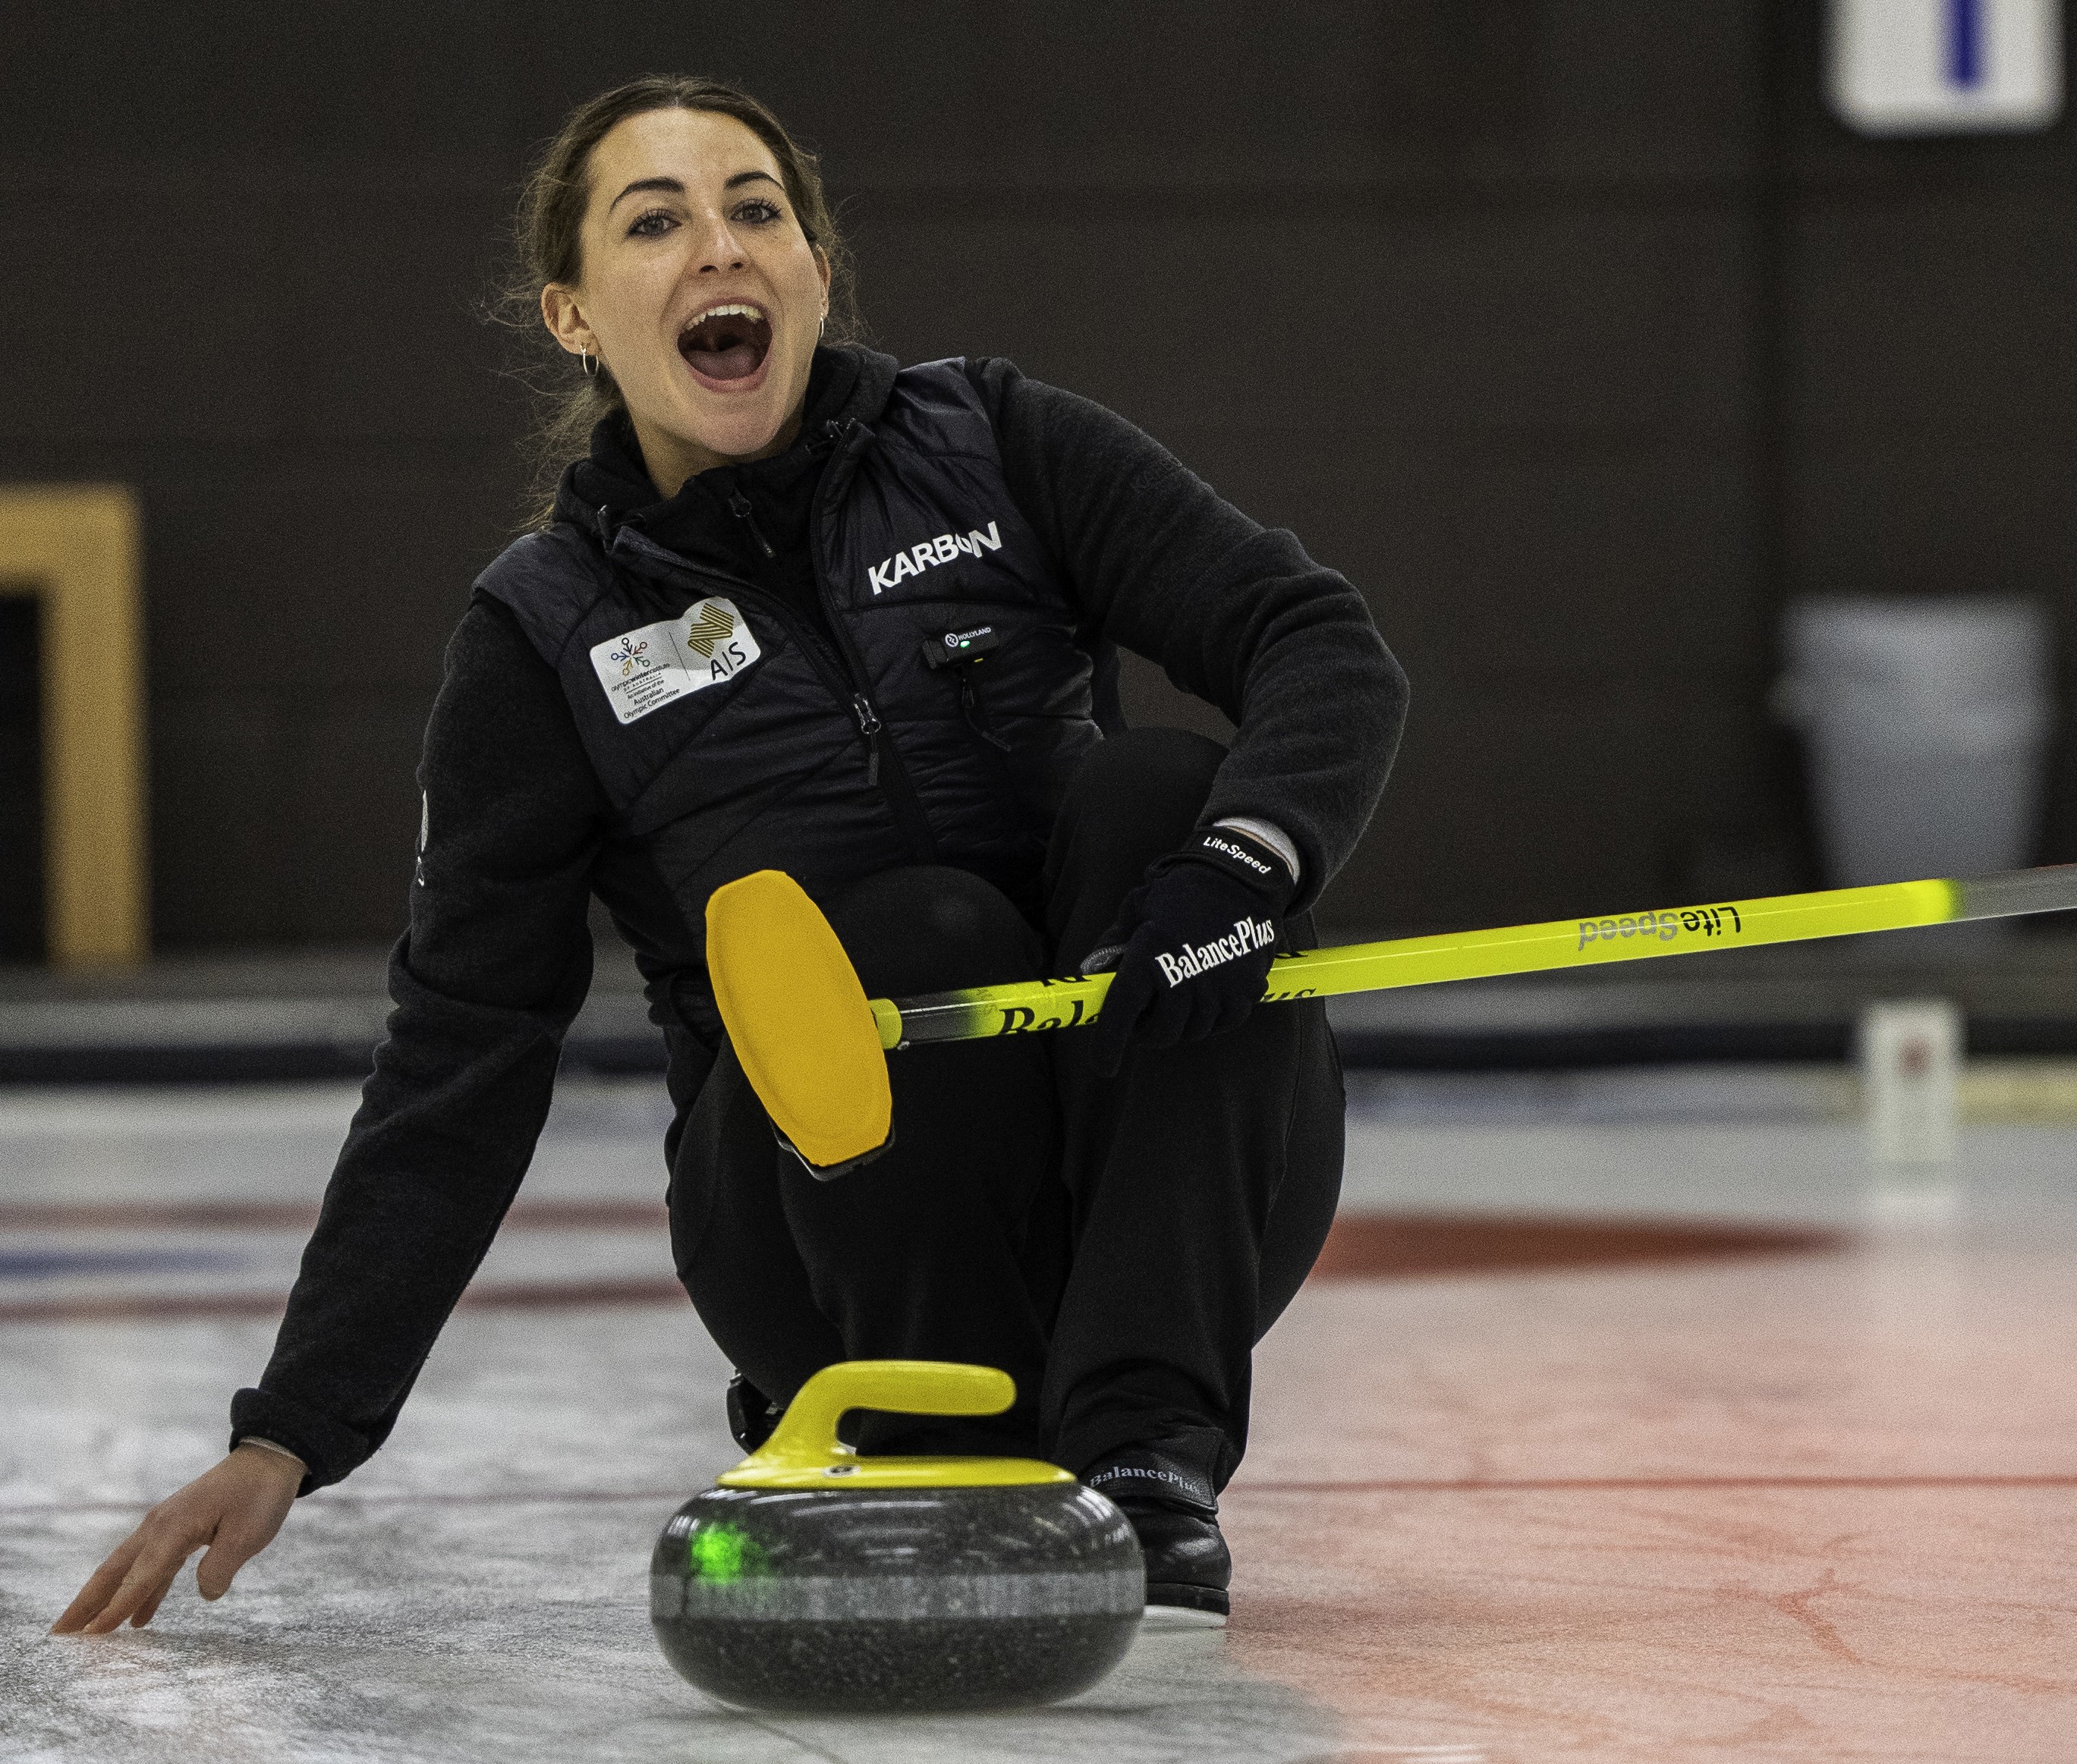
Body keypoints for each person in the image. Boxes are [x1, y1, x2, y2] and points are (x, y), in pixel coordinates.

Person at [55, 74, 1407, 1637]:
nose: (721, 247)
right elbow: (462, 1046)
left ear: (817, 271)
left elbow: (1317, 638)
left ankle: (1147, 1462)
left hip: (1150, 1178)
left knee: (1166, 801)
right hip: (813, 1214)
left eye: (757, 209)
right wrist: (293, 1421)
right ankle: (937, 1461)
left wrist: (1249, 866)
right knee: (909, 925)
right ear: (572, 314)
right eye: (657, 221)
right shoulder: (543, 632)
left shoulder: (1003, 442)